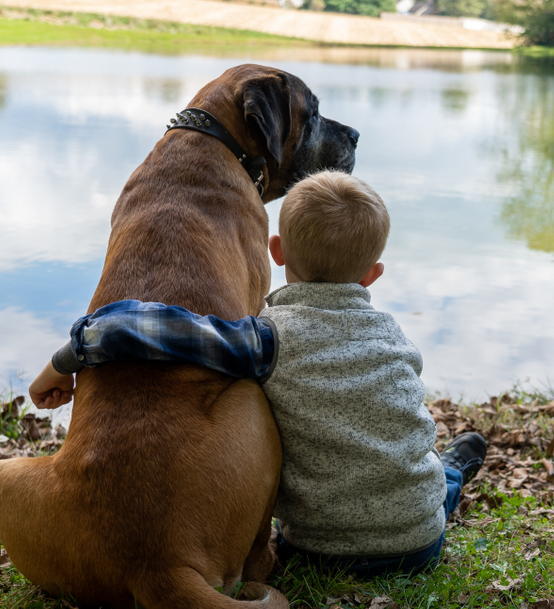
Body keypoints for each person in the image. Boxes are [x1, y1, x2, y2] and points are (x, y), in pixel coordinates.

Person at [28, 170, 488, 578]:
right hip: (419, 544)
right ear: (373, 275)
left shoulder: (265, 340)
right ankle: (451, 473)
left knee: (420, 473)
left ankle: (449, 472)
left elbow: (133, 329)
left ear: (277, 252)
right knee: (435, 475)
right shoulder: (396, 338)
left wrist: (63, 361)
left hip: (315, 550)